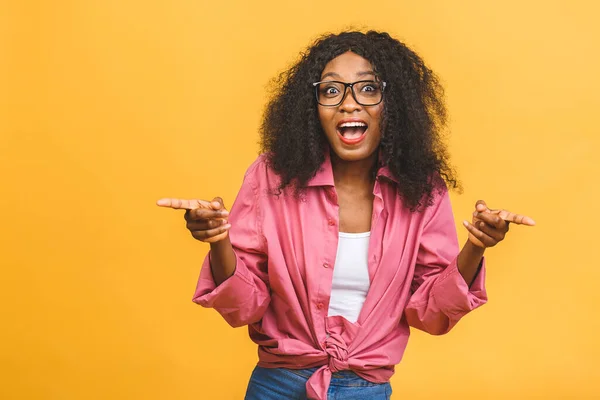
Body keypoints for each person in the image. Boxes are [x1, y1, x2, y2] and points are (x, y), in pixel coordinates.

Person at [157, 30, 535, 400]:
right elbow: (245, 306)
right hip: (276, 385)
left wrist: (475, 247)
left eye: (368, 88)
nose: (349, 104)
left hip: (365, 390)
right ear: (312, 107)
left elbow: (431, 315)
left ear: (394, 104)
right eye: (331, 90)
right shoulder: (270, 177)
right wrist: (219, 239)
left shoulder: (421, 189)